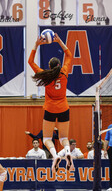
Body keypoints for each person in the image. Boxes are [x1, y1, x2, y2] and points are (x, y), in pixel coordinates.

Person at [28, 33, 73, 173]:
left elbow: (30, 62)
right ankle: (67, 151)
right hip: (64, 107)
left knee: (47, 138)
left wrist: (36, 45)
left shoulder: (45, 75)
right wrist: (59, 41)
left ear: (49, 66)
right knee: (64, 137)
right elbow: (69, 54)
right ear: (59, 65)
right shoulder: (64, 72)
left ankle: (54, 156)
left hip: (50, 109)